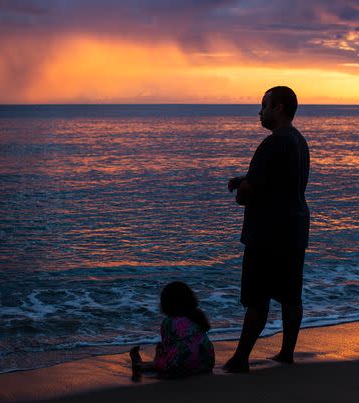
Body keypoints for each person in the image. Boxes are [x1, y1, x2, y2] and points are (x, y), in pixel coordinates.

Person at [224, 86, 310, 373]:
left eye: (264, 106)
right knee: (290, 294)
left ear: (280, 108)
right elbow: (279, 178)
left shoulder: (271, 144)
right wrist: (244, 179)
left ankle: (240, 358)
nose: (259, 112)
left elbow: (251, 191)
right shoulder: (298, 141)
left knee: (257, 297)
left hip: (268, 232)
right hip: (294, 228)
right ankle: (286, 352)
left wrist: (241, 192)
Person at [129, 281, 215, 381]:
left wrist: (159, 354)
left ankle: (139, 365)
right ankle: (146, 363)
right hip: (206, 363)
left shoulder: (168, 322)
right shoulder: (198, 317)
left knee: (161, 349)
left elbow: (168, 348)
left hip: (179, 367)